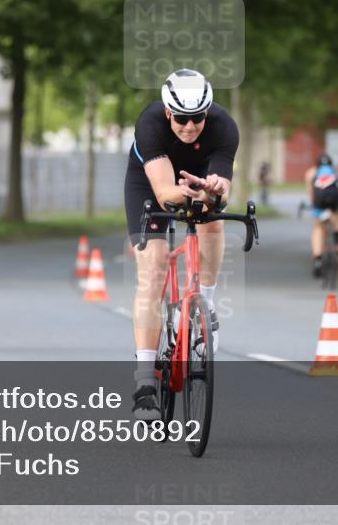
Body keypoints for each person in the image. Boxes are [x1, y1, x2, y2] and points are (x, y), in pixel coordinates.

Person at [125, 69, 238, 420]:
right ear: (168, 112)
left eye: (198, 119)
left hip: (200, 178)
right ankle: (145, 381)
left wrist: (213, 189)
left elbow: (223, 185)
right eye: (183, 119)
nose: (190, 127)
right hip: (151, 185)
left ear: (208, 112)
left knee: (212, 223)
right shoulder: (150, 125)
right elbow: (164, 193)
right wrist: (184, 191)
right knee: (154, 270)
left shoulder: (224, 126)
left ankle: (206, 304)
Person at [304, 153, 338, 278]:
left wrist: (314, 206)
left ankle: (318, 259)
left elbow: (311, 193)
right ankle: (337, 242)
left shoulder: (311, 173)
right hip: (334, 200)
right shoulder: (335, 171)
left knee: (318, 228)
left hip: (319, 201)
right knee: (337, 217)